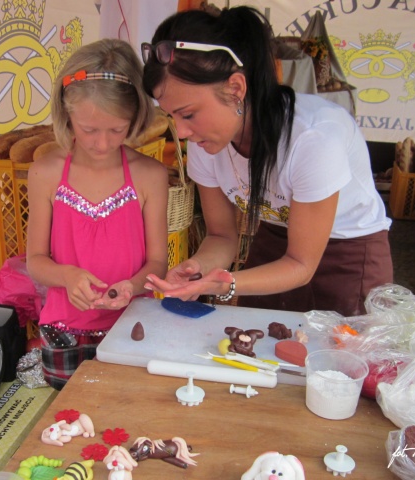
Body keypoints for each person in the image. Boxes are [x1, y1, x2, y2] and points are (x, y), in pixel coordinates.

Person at [142, 6, 393, 317]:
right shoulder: (204, 143)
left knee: (340, 344)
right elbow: (221, 236)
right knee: (258, 340)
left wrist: (225, 285)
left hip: (348, 252)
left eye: (189, 114)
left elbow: (301, 264)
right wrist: (199, 267)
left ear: (235, 88)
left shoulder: (313, 139)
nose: (181, 132)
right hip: (275, 238)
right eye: (172, 115)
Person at [26, 38, 169, 389]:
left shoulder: (150, 175)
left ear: (135, 119)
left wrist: (133, 286)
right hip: (64, 331)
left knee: (131, 409)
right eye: (89, 130)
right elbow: (35, 261)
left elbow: (158, 263)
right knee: (69, 414)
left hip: (132, 326)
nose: (102, 144)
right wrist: (66, 276)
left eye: (117, 130)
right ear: (66, 114)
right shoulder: (45, 173)